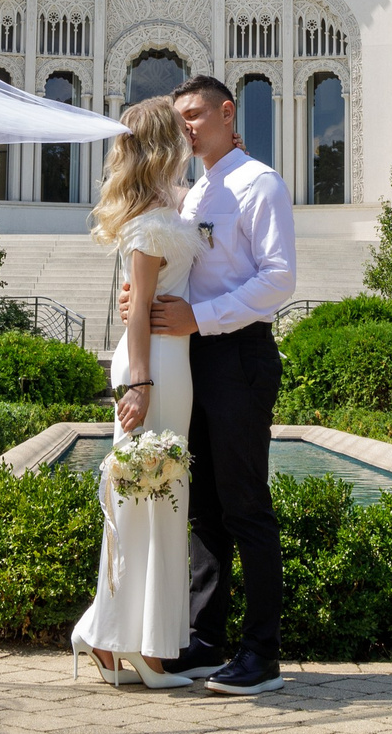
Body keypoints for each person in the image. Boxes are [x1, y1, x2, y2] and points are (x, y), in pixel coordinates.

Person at [121, 75, 297, 696]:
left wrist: (202, 317)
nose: (186, 127)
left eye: (196, 115)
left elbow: (279, 279)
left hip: (239, 357)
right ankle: (205, 639)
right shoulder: (194, 193)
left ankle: (262, 655)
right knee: (203, 508)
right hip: (192, 358)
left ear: (227, 113)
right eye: (180, 119)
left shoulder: (259, 183)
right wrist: (140, 300)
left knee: (246, 505)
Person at [69, 97, 205, 690]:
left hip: (172, 361)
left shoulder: (164, 206)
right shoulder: (150, 224)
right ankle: (135, 647)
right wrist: (142, 384)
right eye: (180, 130)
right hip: (156, 365)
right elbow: (139, 312)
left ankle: (110, 637)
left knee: (156, 497)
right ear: (165, 144)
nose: (189, 137)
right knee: (146, 497)